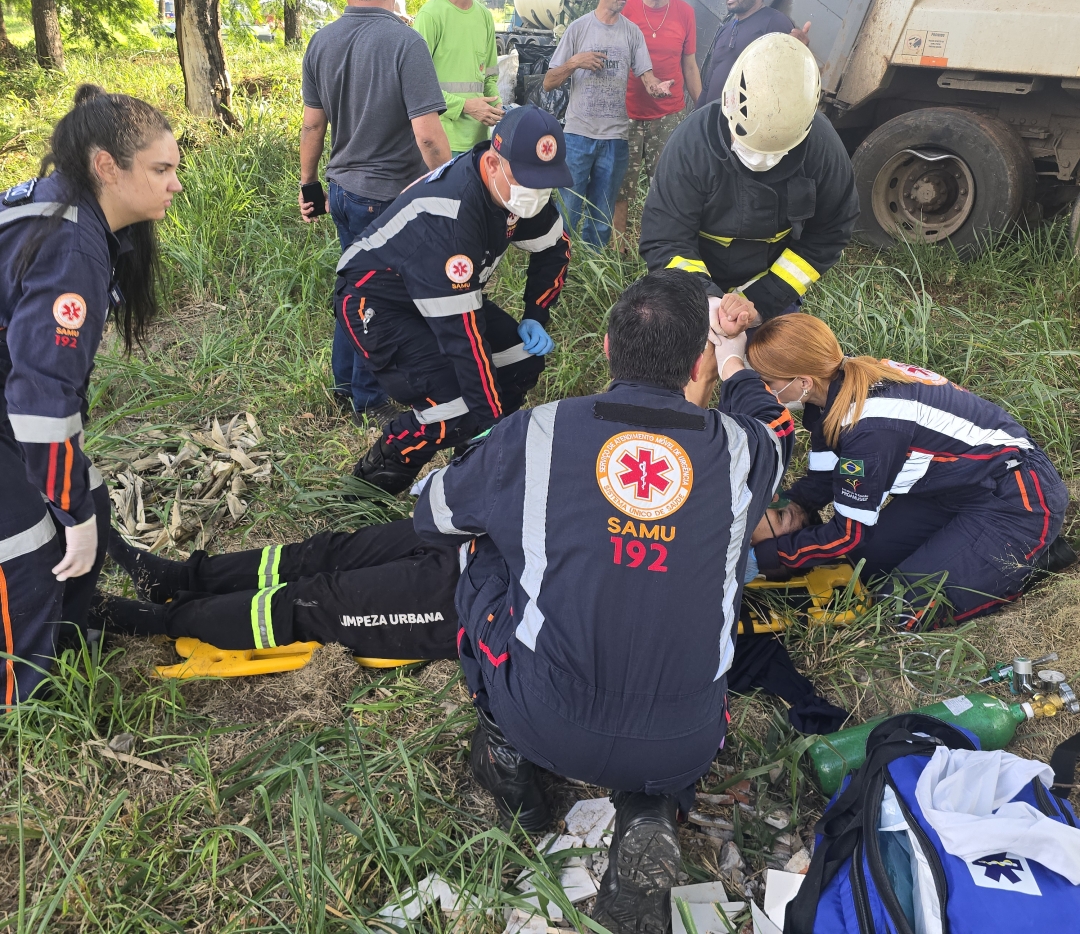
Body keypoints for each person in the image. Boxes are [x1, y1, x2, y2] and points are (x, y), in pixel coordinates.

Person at [413, 270, 793, 933]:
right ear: (699, 362)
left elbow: (433, 515)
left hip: (545, 719)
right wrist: (735, 358)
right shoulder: (745, 450)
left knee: (482, 551)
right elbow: (766, 417)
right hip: (687, 739)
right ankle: (646, 810)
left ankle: (507, 754)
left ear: (608, 349)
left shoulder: (537, 433)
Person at [0, 85, 181, 705]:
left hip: (10, 392)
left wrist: (79, 505)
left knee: (87, 498)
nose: (174, 185)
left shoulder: (84, 218)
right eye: (161, 170)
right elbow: (41, 400)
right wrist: (67, 514)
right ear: (107, 165)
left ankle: (71, 629)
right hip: (12, 400)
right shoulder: (71, 243)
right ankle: (25, 701)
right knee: (24, 545)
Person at [745, 312, 1070, 623]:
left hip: (1016, 498)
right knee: (864, 567)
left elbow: (848, 532)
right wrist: (785, 507)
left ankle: (1030, 560)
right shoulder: (831, 394)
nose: (765, 391)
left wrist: (765, 558)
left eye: (768, 382)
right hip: (951, 489)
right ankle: (965, 547)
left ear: (803, 380)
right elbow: (823, 480)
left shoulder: (868, 428)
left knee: (899, 609)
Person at [337, 104, 572, 496]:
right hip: (378, 303)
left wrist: (536, 313)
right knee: (453, 408)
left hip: (448, 298)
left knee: (521, 357)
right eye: (528, 180)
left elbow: (554, 249)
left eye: (545, 182)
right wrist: (488, 416)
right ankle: (369, 487)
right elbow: (462, 338)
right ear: (494, 163)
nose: (537, 194)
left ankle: (473, 457)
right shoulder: (450, 216)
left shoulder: (520, 192)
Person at [300, 0, 450, 424]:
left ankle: (344, 383)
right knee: (377, 302)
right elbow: (428, 137)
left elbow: (312, 125)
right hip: (386, 199)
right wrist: (451, 188)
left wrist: (309, 187)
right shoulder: (406, 44)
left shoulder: (320, 41)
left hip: (341, 192)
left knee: (351, 285)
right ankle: (367, 398)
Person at [639, 33, 859, 338]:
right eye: (746, 144)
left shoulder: (823, 150)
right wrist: (707, 301)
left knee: (773, 370)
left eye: (774, 154)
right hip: (693, 282)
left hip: (771, 287)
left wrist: (760, 301)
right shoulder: (692, 144)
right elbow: (666, 239)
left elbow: (829, 234)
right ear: (731, 102)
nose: (759, 161)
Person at [96, 520, 458, 659]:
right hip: (478, 534)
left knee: (313, 602)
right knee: (324, 553)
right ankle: (175, 580)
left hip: (485, 592)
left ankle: (154, 621)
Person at [543, 0, 674, 249]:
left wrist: (656, 87)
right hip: (577, 136)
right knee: (567, 213)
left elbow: (647, 75)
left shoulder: (632, 32)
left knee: (601, 218)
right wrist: (575, 62)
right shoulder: (578, 29)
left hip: (615, 139)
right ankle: (555, 269)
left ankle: (591, 274)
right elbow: (549, 81)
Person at [612, 0, 701, 244]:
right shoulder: (627, 8)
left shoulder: (685, 12)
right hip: (628, 113)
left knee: (667, 188)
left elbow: (689, 66)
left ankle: (661, 250)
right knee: (621, 188)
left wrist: (702, 111)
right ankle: (618, 251)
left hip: (669, 117)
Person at [414, 0, 503, 157]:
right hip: (442, 146)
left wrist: (498, 106)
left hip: (480, 146)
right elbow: (417, 89)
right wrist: (464, 106)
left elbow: (490, 77)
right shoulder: (430, 16)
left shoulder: (484, 17)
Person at [696, 0, 811, 108]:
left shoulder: (774, 24)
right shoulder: (725, 30)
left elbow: (787, 84)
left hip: (747, 129)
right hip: (714, 126)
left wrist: (799, 55)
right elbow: (708, 85)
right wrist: (697, 122)